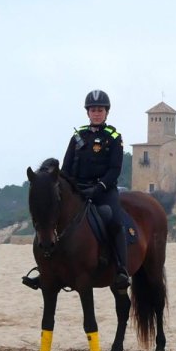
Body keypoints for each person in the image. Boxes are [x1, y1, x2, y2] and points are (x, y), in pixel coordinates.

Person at [63, 89, 130, 290]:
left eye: (100, 110)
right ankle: (47, 268)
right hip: (79, 190)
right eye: (93, 110)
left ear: (106, 112)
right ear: (88, 113)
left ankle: (121, 269)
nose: (96, 113)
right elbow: (66, 168)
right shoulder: (77, 136)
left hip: (104, 189)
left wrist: (99, 187)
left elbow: (115, 169)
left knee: (115, 221)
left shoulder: (114, 137)